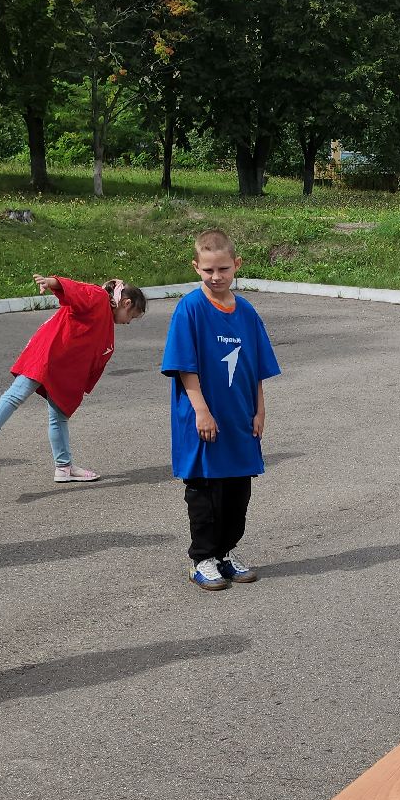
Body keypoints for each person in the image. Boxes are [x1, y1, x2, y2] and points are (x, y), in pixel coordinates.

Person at [161, 229, 279, 591]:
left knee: (236, 494)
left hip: (240, 419)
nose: (216, 277)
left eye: (223, 269)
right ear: (196, 267)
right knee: (206, 493)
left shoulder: (245, 311)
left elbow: (256, 367)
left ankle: (225, 553)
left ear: (236, 265)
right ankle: (202, 558)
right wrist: (201, 411)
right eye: (208, 270)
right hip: (205, 419)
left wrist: (260, 410)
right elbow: (185, 367)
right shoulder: (190, 309)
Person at [0, 274, 147, 483]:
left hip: (62, 368)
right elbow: (76, 290)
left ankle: (64, 467)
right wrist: (52, 282)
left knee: (59, 416)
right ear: (126, 303)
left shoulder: (105, 320)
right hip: (47, 357)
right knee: (16, 395)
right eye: (131, 316)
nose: (128, 322)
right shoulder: (97, 297)